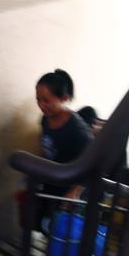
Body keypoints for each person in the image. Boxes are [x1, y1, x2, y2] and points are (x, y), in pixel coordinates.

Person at [36, 69, 92, 197]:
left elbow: (91, 165)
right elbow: (45, 148)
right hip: (51, 185)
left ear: (64, 98)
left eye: (46, 100)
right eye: (38, 100)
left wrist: (74, 193)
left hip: (68, 194)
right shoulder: (45, 119)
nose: (41, 105)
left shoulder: (76, 129)